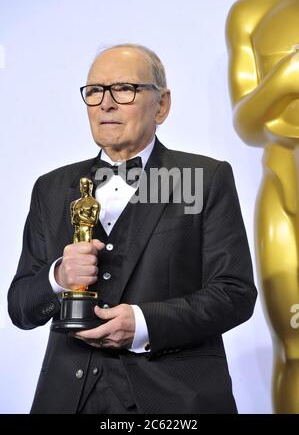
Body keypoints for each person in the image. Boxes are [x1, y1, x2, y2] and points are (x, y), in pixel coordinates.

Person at [8, 43, 257, 414]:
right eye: (94, 91)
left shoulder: (203, 179)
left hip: (174, 402)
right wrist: (58, 276)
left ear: (162, 104)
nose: (105, 103)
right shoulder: (51, 187)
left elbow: (234, 294)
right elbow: (21, 307)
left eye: (124, 89)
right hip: (66, 400)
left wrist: (142, 323)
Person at [226, 0, 299, 413]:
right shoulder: (251, 11)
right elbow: (247, 124)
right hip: (285, 194)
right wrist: (286, 79)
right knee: (294, 349)